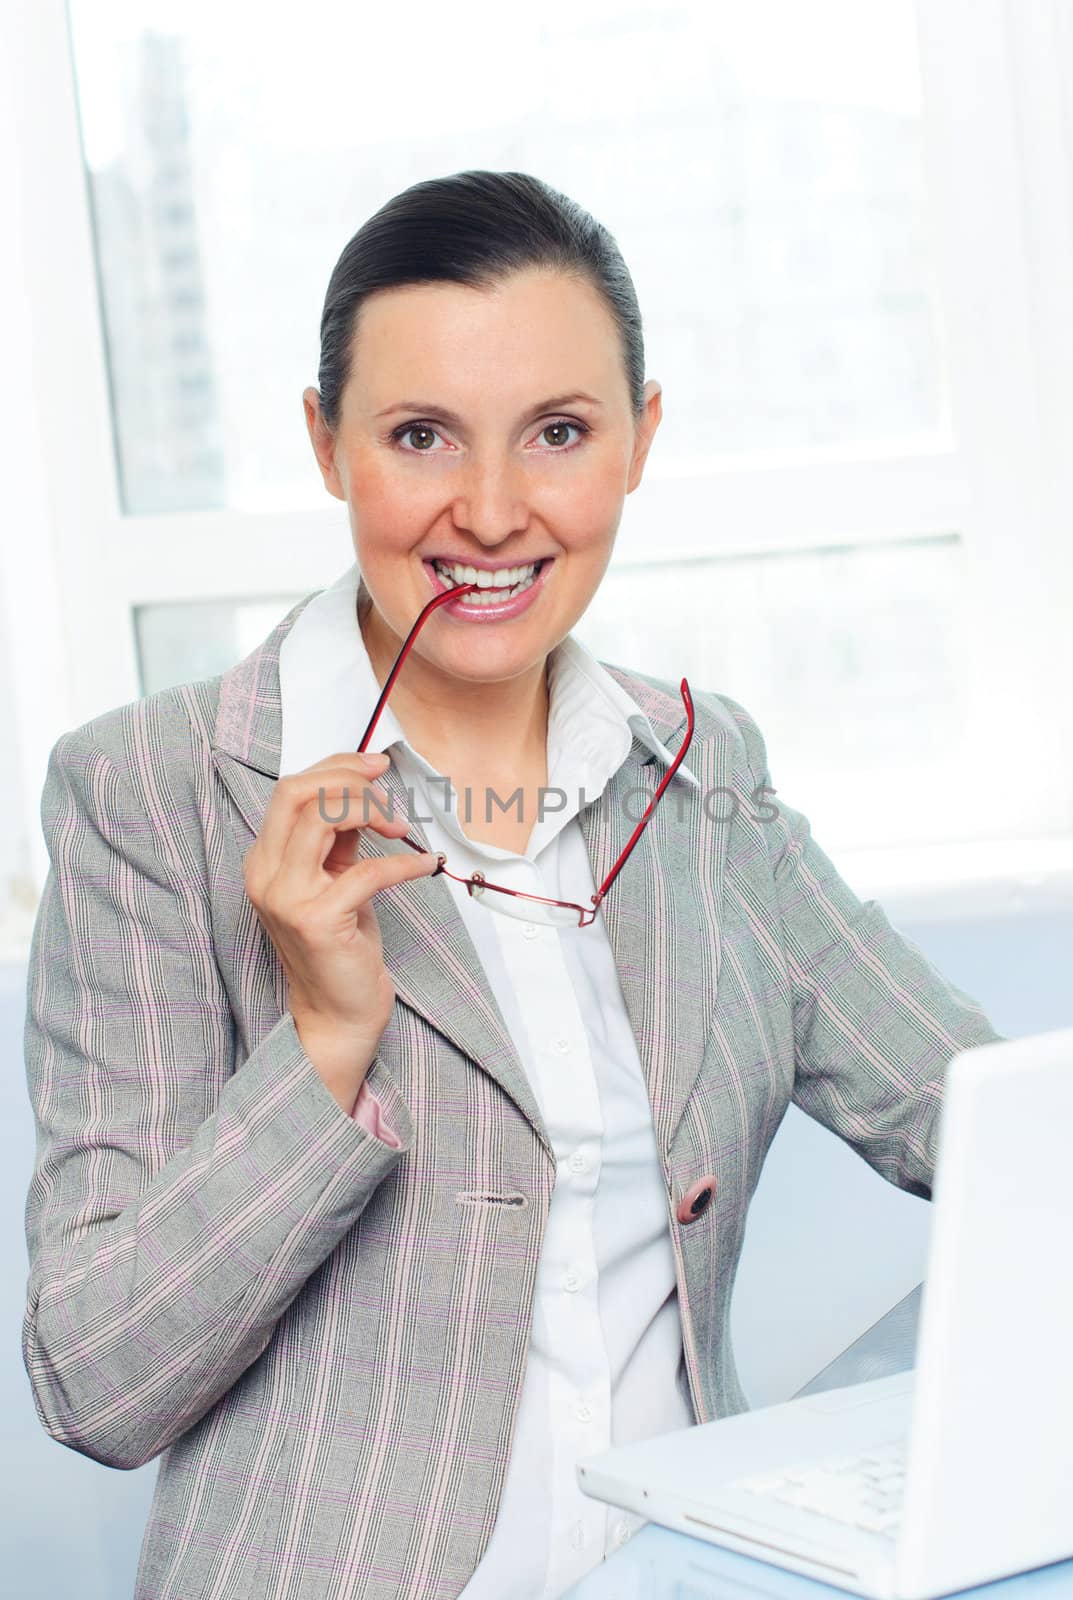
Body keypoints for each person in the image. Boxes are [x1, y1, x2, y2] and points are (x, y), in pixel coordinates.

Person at [21, 170, 1005, 1600]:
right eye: (420, 436)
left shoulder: (700, 771)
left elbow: (979, 1119)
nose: (490, 513)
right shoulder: (145, 794)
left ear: (640, 438)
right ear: (325, 442)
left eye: (557, 433)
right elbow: (95, 1380)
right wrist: (322, 1044)